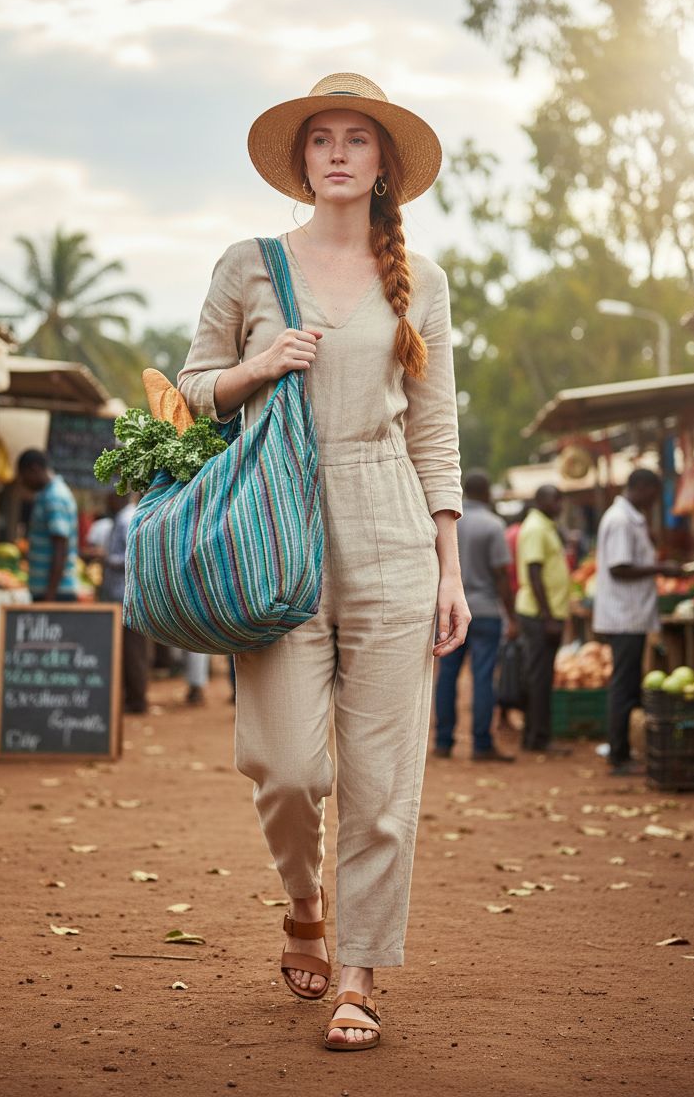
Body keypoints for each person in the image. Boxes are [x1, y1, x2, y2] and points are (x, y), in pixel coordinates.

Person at [177, 73, 468, 1052]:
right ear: (301, 161)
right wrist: (258, 369)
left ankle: (359, 972)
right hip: (274, 528)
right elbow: (185, 391)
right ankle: (303, 897)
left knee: (384, 781)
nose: (338, 152)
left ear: (382, 162)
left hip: (390, 528)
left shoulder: (420, 280)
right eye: (321, 139)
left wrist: (450, 565)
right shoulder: (248, 265)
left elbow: (435, 426)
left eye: (357, 139)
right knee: (285, 762)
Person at [593, 469, 683, 776]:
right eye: (655, 493)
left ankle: (620, 751)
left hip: (629, 614)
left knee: (627, 683)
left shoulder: (628, 517)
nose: (655, 500)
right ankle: (618, 755)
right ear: (642, 488)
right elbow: (619, 567)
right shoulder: (620, 520)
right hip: (624, 615)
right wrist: (660, 568)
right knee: (623, 685)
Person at [433, 469, 517, 762]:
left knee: (447, 675)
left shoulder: (447, 522)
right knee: (482, 677)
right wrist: (512, 615)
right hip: (485, 612)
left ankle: (444, 742)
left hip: (450, 610)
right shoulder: (493, 526)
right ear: (487, 493)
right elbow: (502, 576)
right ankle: (481, 744)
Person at [515, 485, 570, 753]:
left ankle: (534, 735)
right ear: (540, 501)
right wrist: (548, 617)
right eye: (556, 499)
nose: (560, 504)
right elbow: (534, 574)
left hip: (544, 614)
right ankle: (538, 738)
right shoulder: (536, 528)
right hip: (538, 616)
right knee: (538, 678)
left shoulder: (545, 525)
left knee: (539, 677)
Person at [100, 493, 150, 715]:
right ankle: (132, 697)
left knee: (132, 649)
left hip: (125, 595)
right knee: (128, 649)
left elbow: (134, 556)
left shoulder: (126, 518)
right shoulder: (124, 517)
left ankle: (137, 699)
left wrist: (106, 560)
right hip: (122, 594)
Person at [17, 450, 78, 602]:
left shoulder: (55, 497)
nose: (22, 482)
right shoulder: (45, 495)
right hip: (50, 592)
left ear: (34, 469)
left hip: (56, 594)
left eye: (23, 476)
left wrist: (50, 595)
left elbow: (60, 547)